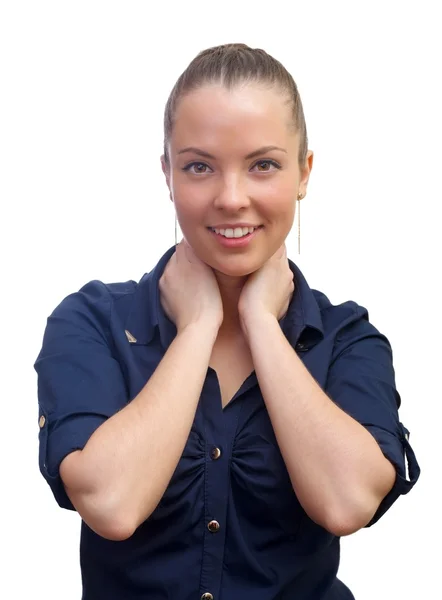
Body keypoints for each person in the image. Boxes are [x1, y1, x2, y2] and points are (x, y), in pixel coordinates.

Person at [34, 43, 420, 600]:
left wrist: (260, 321)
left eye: (263, 164)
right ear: (167, 174)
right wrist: (197, 328)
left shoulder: (346, 339)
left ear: (304, 172)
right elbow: (111, 505)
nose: (232, 198)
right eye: (199, 167)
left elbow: (347, 503)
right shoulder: (90, 322)